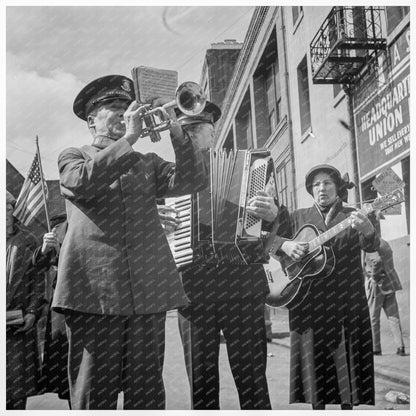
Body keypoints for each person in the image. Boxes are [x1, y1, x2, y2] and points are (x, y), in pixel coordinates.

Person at [51, 74, 208, 410]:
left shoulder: (147, 163)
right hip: (94, 295)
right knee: (95, 394)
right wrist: (132, 138)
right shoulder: (73, 156)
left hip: (146, 294)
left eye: (127, 106)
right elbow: (80, 183)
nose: (124, 112)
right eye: (114, 107)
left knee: (147, 393)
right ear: (92, 120)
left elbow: (193, 179)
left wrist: (178, 131)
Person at [160, 102, 280, 410]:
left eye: (198, 131)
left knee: (253, 381)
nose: (192, 138)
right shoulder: (165, 176)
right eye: (185, 132)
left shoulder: (250, 169)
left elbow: (279, 225)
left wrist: (272, 214)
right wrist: (156, 223)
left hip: (242, 285)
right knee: (201, 385)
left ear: (213, 134)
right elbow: (148, 235)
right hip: (193, 291)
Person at [272, 164, 380, 410]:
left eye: (327, 183)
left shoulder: (355, 214)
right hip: (308, 303)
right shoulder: (297, 217)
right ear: (311, 190)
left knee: (347, 373)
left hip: (346, 303)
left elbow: (372, 246)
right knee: (314, 373)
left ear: (338, 188)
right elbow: (271, 242)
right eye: (316, 184)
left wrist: (368, 230)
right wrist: (286, 246)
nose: (322, 188)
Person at [6, 190, 44, 409]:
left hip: (18, 322)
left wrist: (32, 311)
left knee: (18, 386)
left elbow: (38, 279)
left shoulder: (28, 240)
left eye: (8, 206)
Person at [32, 214, 70, 407]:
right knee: (66, 368)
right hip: (63, 307)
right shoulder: (58, 226)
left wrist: (62, 250)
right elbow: (38, 265)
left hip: (94, 306)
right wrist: (45, 249)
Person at [364, 237, 406, 356]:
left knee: (373, 318)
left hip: (378, 285)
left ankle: (376, 348)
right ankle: (400, 346)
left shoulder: (370, 243)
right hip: (390, 282)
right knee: (393, 317)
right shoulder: (384, 242)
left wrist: (373, 276)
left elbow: (376, 261)